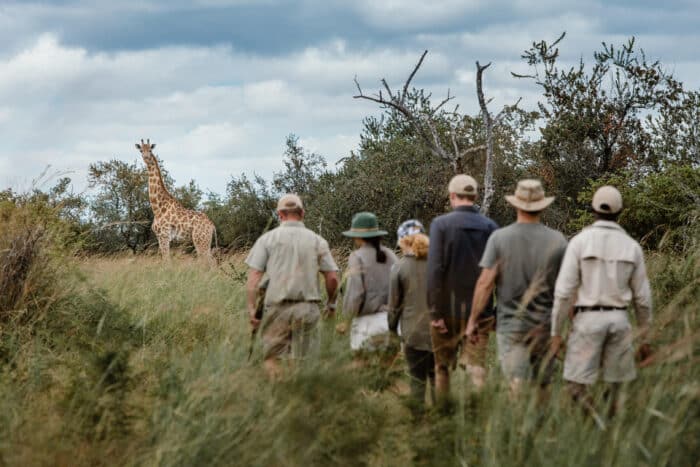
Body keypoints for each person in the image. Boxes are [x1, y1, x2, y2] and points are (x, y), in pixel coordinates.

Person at [550, 186, 652, 416]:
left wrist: (556, 332)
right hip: (619, 319)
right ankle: (608, 423)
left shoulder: (579, 242)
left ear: (593, 209)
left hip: (587, 319)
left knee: (576, 384)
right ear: (620, 211)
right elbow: (643, 299)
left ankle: (593, 419)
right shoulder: (632, 246)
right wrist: (645, 338)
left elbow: (564, 291)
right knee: (616, 384)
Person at [466, 179, 567, 394]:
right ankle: (540, 426)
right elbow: (567, 288)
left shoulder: (499, 239)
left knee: (517, 383)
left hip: (511, 326)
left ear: (516, 204)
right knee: (543, 385)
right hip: (544, 325)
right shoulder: (558, 241)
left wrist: (473, 320)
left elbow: (485, 283)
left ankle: (519, 424)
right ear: (542, 205)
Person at [245, 194, 339, 379]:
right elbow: (332, 278)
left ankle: (279, 393)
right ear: (302, 213)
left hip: (276, 310)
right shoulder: (317, 241)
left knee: (272, 358)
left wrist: (252, 308)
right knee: (304, 361)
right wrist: (331, 304)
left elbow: (254, 277)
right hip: (307, 308)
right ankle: (300, 397)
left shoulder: (267, 239)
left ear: (280, 214)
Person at [427, 174, 498, 398]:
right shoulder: (490, 227)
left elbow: (435, 270)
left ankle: (443, 414)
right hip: (480, 312)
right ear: (475, 196)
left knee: (442, 368)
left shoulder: (441, 225)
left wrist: (435, 312)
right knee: (476, 366)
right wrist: (494, 312)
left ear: (452, 196)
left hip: (446, 310)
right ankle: (478, 413)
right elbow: (497, 272)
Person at [388, 220, 434, 407]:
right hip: (440, 332)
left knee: (417, 380)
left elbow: (394, 307)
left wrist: (391, 331)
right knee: (439, 379)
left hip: (412, 333)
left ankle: (417, 424)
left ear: (402, 241)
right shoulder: (439, 264)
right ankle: (442, 422)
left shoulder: (399, 268)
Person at [342, 212, 398, 351]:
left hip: (366, 322)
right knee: (389, 368)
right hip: (391, 321)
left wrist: (347, 318)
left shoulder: (357, 256)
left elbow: (356, 294)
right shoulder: (391, 255)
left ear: (358, 237)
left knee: (363, 368)